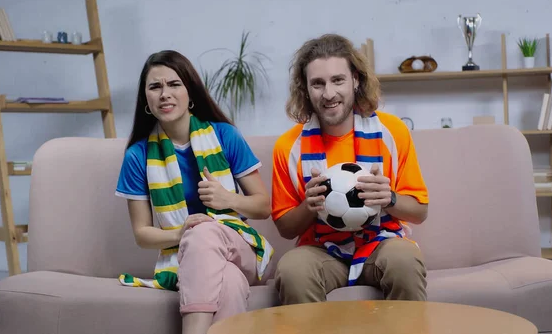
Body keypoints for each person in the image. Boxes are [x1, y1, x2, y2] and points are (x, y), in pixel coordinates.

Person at [114, 50, 274, 334]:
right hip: (184, 259)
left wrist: (228, 199)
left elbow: (263, 206)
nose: (165, 93)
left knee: (205, 233)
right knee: (230, 282)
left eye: (174, 84)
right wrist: (182, 233)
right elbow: (142, 234)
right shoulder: (138, 157)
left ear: (191, 92)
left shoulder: (225, 136)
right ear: (146, 101)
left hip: (238, 245)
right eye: (155, 87)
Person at [271, 33, 429, 305]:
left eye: (338, 80)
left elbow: (419, 211)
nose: (328, 94)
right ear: (305, 89)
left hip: (382, 243)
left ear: (355, 80)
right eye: (317, 84)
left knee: (405, 259)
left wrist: (388, 198)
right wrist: (308, 206)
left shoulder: (392, 132)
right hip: (321, 250)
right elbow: (285, 228)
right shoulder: (288, 146)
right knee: (292, 269)